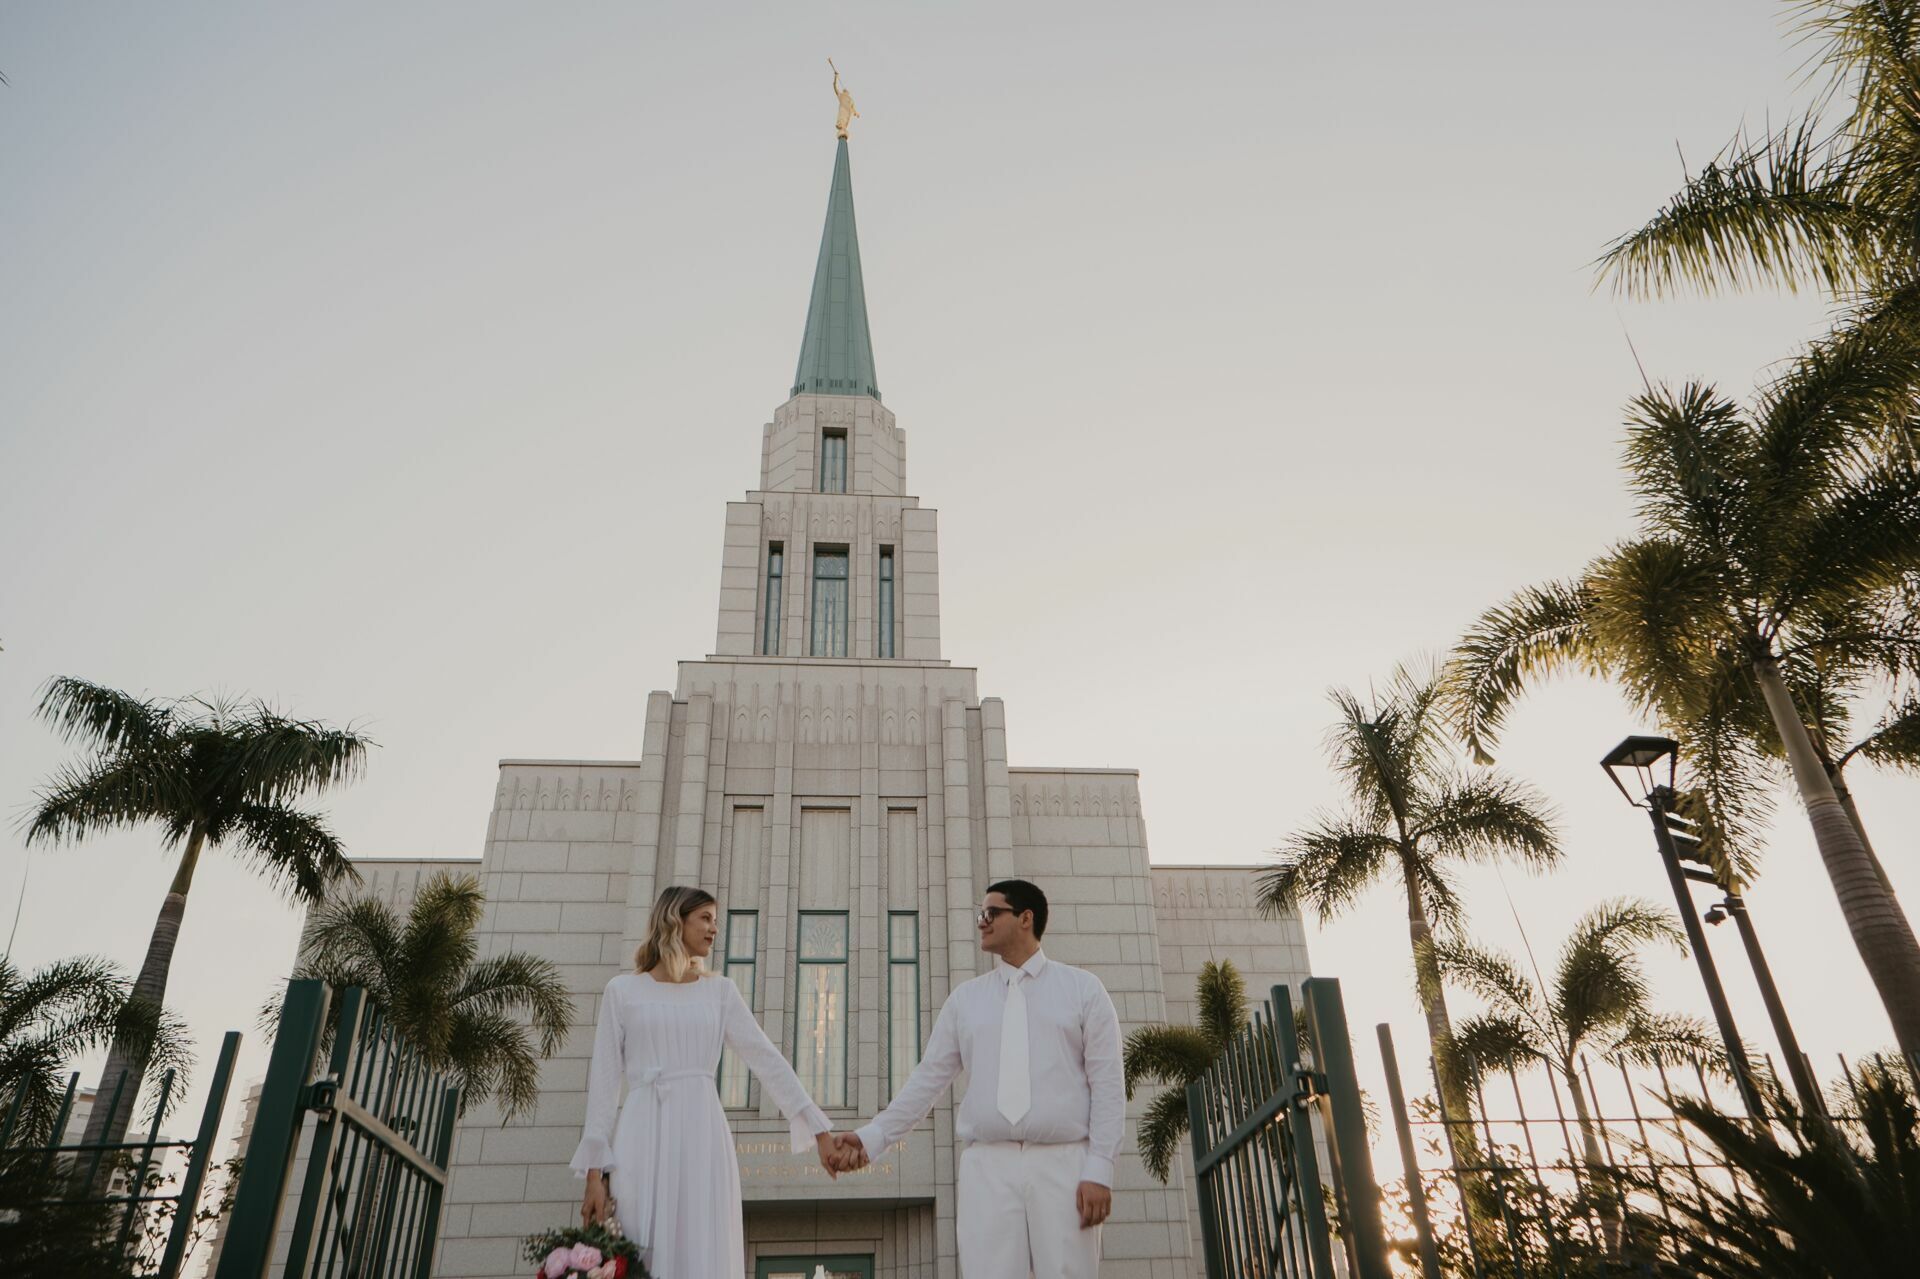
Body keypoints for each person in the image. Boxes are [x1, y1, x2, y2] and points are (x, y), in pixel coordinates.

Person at [828, 879, 1124, 1278]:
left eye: (990, 913)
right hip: (987, 1166)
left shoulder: (1084, 991)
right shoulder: (965, 1001)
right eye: (979, 914)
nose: (980, 922)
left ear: (1025, 918)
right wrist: (871, 1137)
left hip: (1066, 1164)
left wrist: (1100, 1168)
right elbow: (927, 1081)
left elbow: (1108, 1085)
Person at [572, 886, 842, 1278]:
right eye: (706, 918)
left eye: (716, 920)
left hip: (702, 1133)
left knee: (702, 1242)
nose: (715, 928)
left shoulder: (720, 992)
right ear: (673, 920)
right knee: (638, 1242)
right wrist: (594, 1176)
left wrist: (819, 1130)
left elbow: (766, 1059)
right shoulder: (623, 992)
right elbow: (604, 1084)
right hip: (641, 1133)